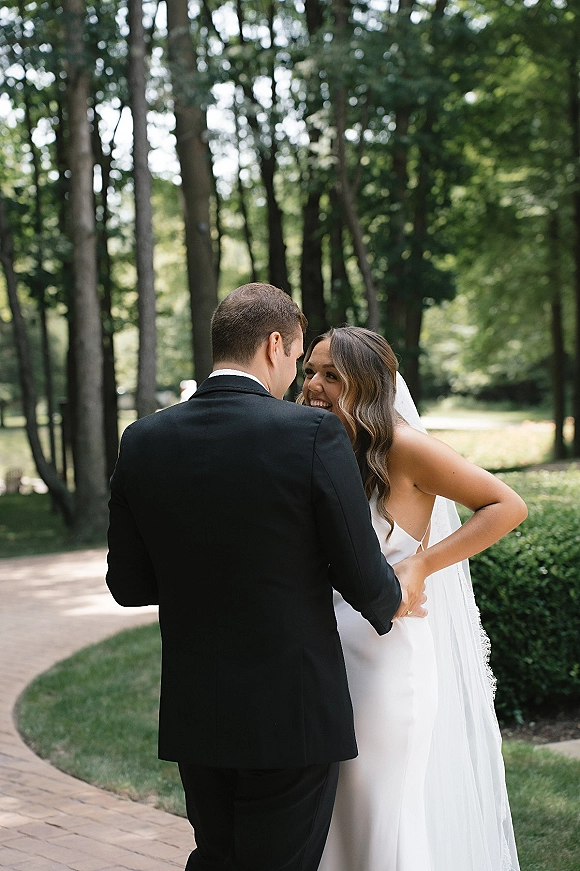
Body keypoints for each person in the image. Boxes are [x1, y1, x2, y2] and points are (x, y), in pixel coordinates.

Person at [106, 284, 406, 871]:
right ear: (275, 345)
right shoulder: (311, 435)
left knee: (219, 858)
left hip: (199, 713)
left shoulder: (143, 439)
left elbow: (130, 586)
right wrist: (399, 591)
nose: (296, 377)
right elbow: (362, 575)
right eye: (297, 357)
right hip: (290, 714)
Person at [299, 326, 528, 871]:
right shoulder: (321, 444)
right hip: (323, 659)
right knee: (332, 823)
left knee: (379, 814)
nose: (313, 385)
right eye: (310, 371)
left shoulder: (405, 447)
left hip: (385, 665)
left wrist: (421, 564)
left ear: (368, 384)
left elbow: (506, 504)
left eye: (332, 375)